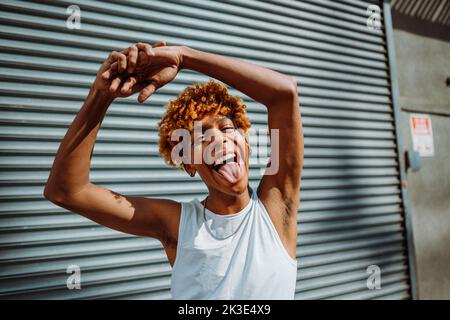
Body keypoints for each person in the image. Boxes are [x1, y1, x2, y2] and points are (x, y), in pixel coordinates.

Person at [44, 41, 304, 299]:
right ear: (189, 163)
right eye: (201, 137)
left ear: (245, 143)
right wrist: (101, 95)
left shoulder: (277, 206)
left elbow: (284, 93)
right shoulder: (178, 224)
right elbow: (67, 191)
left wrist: (184, 56)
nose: (218, 140)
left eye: (226, 128)